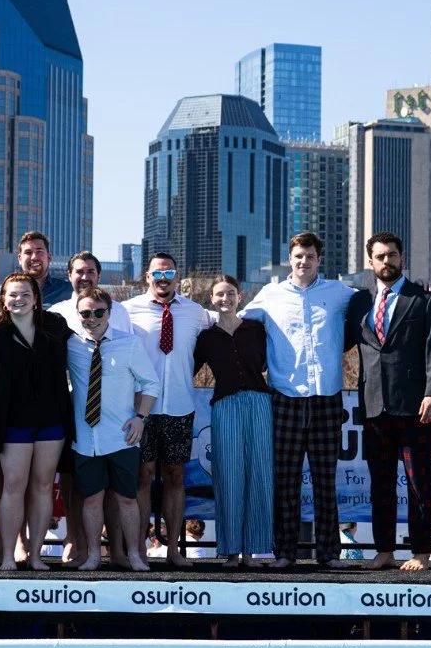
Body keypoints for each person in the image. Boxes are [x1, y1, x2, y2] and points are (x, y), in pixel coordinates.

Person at [241, 232, 355, 568]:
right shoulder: (269, 295)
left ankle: (329, 554)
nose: (302, 262)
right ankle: (285, 553)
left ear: (319, 259)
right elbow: (236, 322)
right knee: (286, 481)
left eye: (309, 256)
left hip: (327, 398)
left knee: (325, 481)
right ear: (289, 259)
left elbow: (377, 302)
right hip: (285, 398)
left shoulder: (340, 293)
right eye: (297, 256)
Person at [346, 231, 431, 573]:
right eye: (380, 256)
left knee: (420, 482)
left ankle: (420, 551)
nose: (386, 261)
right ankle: (385, 551)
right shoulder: (360, 302)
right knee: (381, 485)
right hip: (374, 406)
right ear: (371, 262)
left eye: (392, 254)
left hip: (415, 406)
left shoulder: (425, 297)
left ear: (401, 258)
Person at [123, 253, 212, 566]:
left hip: (180, 406)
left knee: (175, 477)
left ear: (178, 277)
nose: (163, 278)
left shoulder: (196, 311)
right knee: (142, 477)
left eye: (169, 272)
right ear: (147, 276)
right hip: (139, 409)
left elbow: (226, 323)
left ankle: (173, 550)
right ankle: (141, 549)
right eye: (157, 272)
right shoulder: (127, 310)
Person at [0, 273, 74, 571]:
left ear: (36, 298)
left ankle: (35, 556)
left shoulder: (56, 325)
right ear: (3, 300)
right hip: (14, 422)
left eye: (24, 294)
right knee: (13, 485)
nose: (18, 299)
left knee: (43, 486)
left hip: (51, 419)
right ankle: (9, 554)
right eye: (12, 295)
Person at [65, 287, 158, 572]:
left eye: (98, 312)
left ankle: (134, 556)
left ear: (110, 312)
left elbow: (151, 383)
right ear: (78, 314)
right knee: (91, 499)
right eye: (85, 313)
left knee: (127, 499)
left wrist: (141, 417)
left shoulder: (129, 343)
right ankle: (93, 555)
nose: (92, 318)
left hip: (122, 436)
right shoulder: (70, 345)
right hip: (85, 438)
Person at [50, 251, 133, 566]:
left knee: (112, 486)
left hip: (113, 412)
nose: (84, 276)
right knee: (74, 482)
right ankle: (77, 543)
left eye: (90, 271)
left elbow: (128, 356)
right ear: (69, 275)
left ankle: (118, 549)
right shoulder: (57, 312)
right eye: (78, 271)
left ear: (99, 275)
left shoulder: (120, 311)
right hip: (72, 409)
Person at [194, 274, 273, 567]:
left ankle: (253, 550)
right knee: (227, 476)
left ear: (240, 296)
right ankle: (231, 550)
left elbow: (273, 362)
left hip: (260, 404)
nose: (224, 299)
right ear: (211, 300)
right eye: (219, 295)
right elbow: (185, 369)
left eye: (230, 293)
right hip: (225, 405)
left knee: (259, 475)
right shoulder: (206, 337)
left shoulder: (256, 330)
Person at [17, 231, 73, 307]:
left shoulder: (69, 291)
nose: (34, 257)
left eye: (39, 251)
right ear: (20, 259)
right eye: (28, 252)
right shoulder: (9, 291)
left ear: (49, 257)